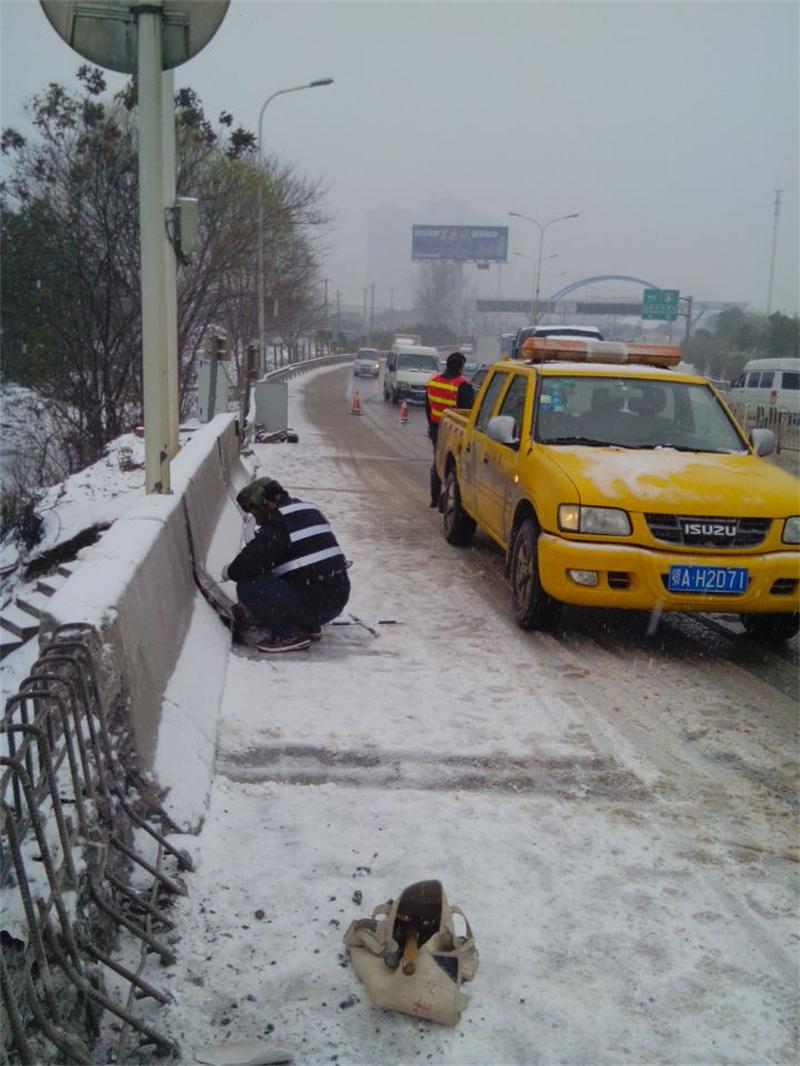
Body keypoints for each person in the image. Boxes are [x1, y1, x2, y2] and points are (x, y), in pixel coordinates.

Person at [223, 478, 350, 653]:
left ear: (265, 503)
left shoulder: (278, 521)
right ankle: (309, 625)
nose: (257, 521)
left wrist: (229, 571)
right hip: (336, 600)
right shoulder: (307, 509)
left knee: (249, 587)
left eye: (255, 512)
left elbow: (250, 561)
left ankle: (289, 635)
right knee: (291, 574)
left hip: (317, 605)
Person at [426, 351, 475, 508]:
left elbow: (428, 408)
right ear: (460, 367)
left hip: (437, 429)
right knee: (454, 466)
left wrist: (432, 427)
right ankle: (448, 498)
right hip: (456, 431)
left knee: (438, 461)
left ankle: (435, 498)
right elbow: (468, 411)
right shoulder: (462, 385)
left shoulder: (433, 382)